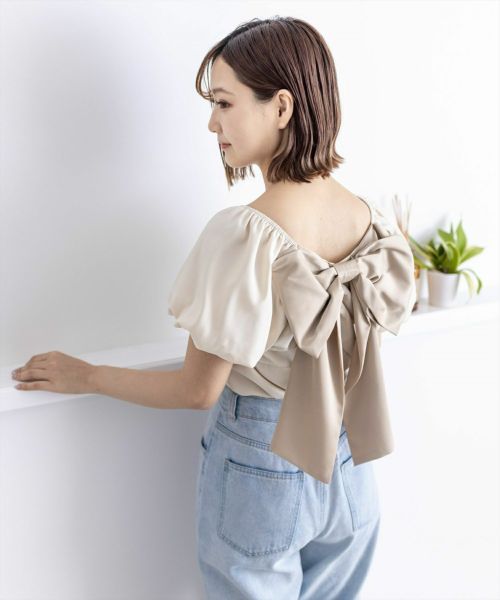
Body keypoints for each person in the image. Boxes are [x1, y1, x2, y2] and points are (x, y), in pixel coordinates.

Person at [168, 16, 416, 600]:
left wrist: (86, 376)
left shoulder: (245, 233)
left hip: (260, 461)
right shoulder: (373, 221)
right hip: (352, 466)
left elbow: (197, 390)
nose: (212, 123)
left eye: (223, 103)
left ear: (281, 107)